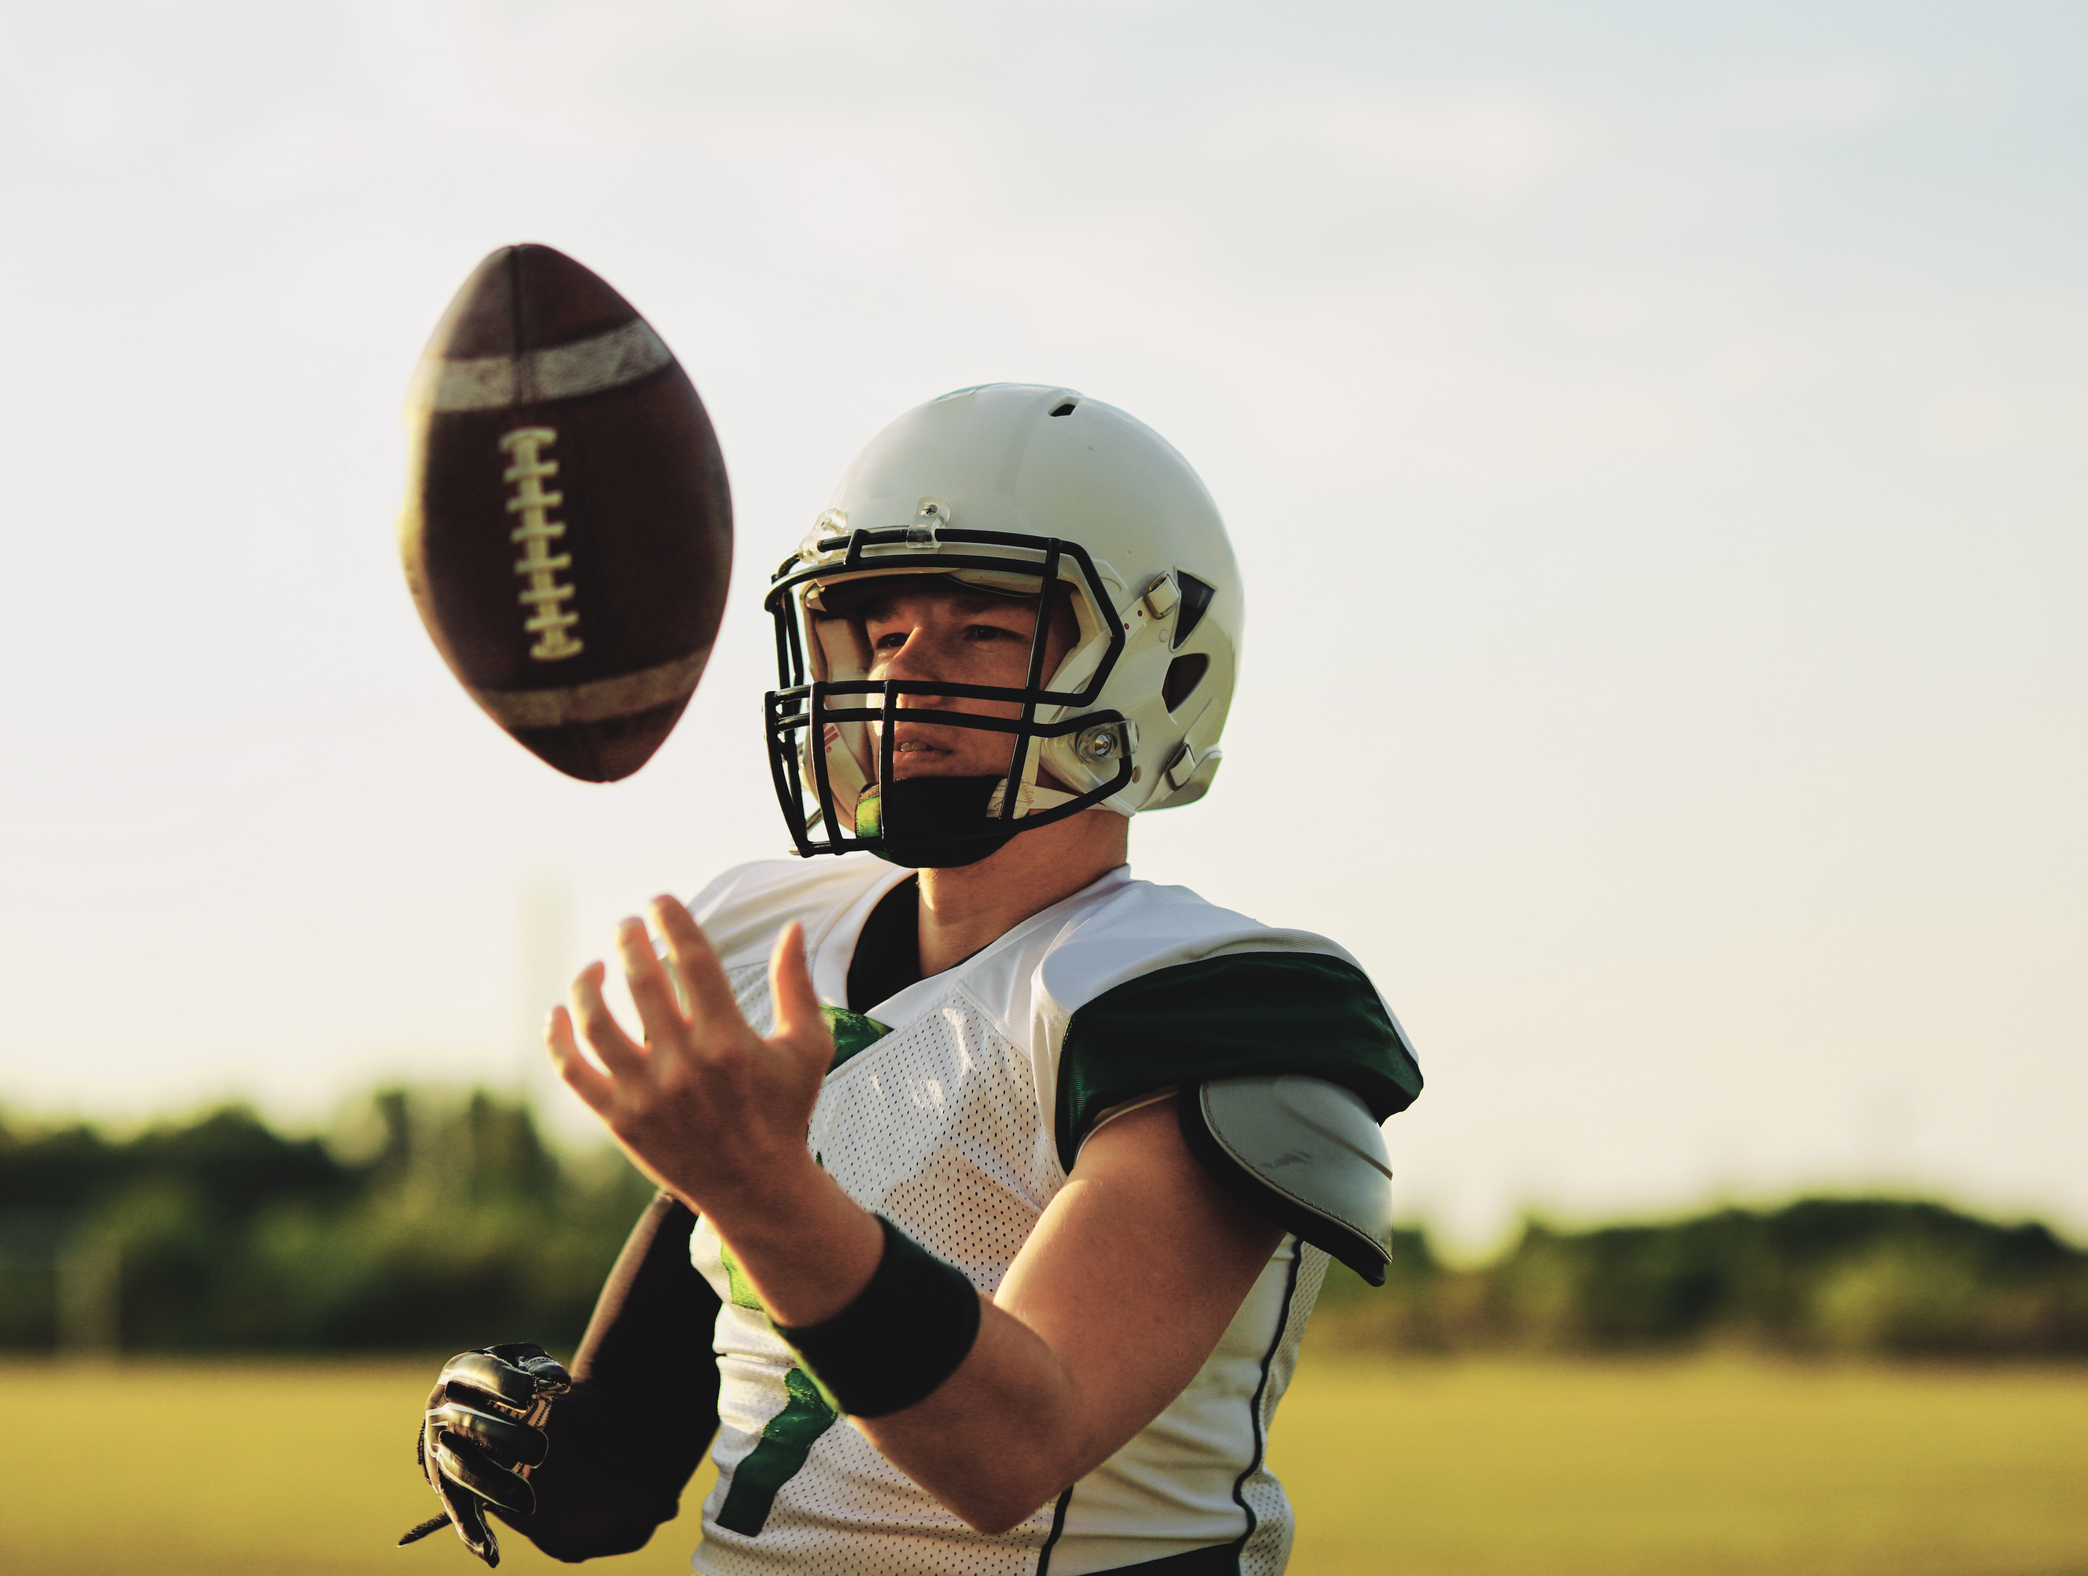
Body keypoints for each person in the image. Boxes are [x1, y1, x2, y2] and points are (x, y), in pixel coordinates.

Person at [402, 384, 1423, 1574]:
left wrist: (764, 1188)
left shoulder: (1206, 996)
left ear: (1162, 670)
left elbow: (1013, 1448)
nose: (907, 673)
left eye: (985, 629)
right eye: (881, 633)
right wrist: (569, 1454)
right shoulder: (773, 936)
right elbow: (637, 1451)